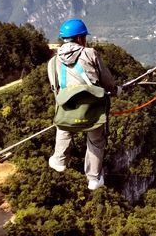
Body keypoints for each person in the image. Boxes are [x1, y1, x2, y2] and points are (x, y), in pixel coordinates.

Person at [47, 18, 117, 190]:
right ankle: (93, 178)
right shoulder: (90, 54)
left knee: (63, 127)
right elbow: (107, 81)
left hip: (67, 109)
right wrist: (116, 90)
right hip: (92, 109)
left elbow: (55, 88)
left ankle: (59, 160)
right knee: (96, 141)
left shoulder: (53, 62)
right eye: (84, 37)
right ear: (79, 38)